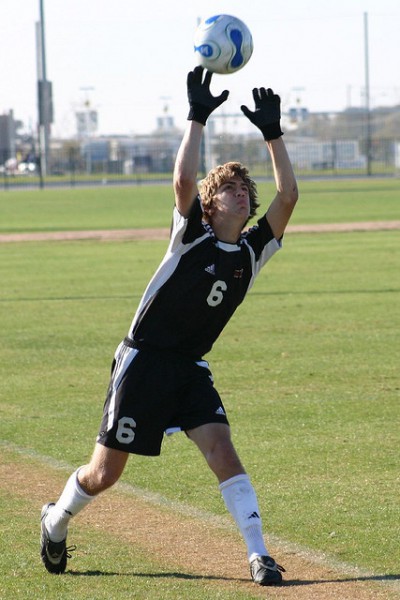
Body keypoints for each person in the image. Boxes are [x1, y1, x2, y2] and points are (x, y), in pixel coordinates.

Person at [40, 66, 298, 587]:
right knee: (105, 475)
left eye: (245, 190)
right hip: (143, 362)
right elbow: (183, 179)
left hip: (189, 370)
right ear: (209, 203)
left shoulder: (250, 252)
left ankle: (258, 555)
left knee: (223, 451)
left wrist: (274, 135)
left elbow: (288, 197)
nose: (242, 196)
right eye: (230, 190)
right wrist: (197, 116)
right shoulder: (191, 236)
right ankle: (55, 520)